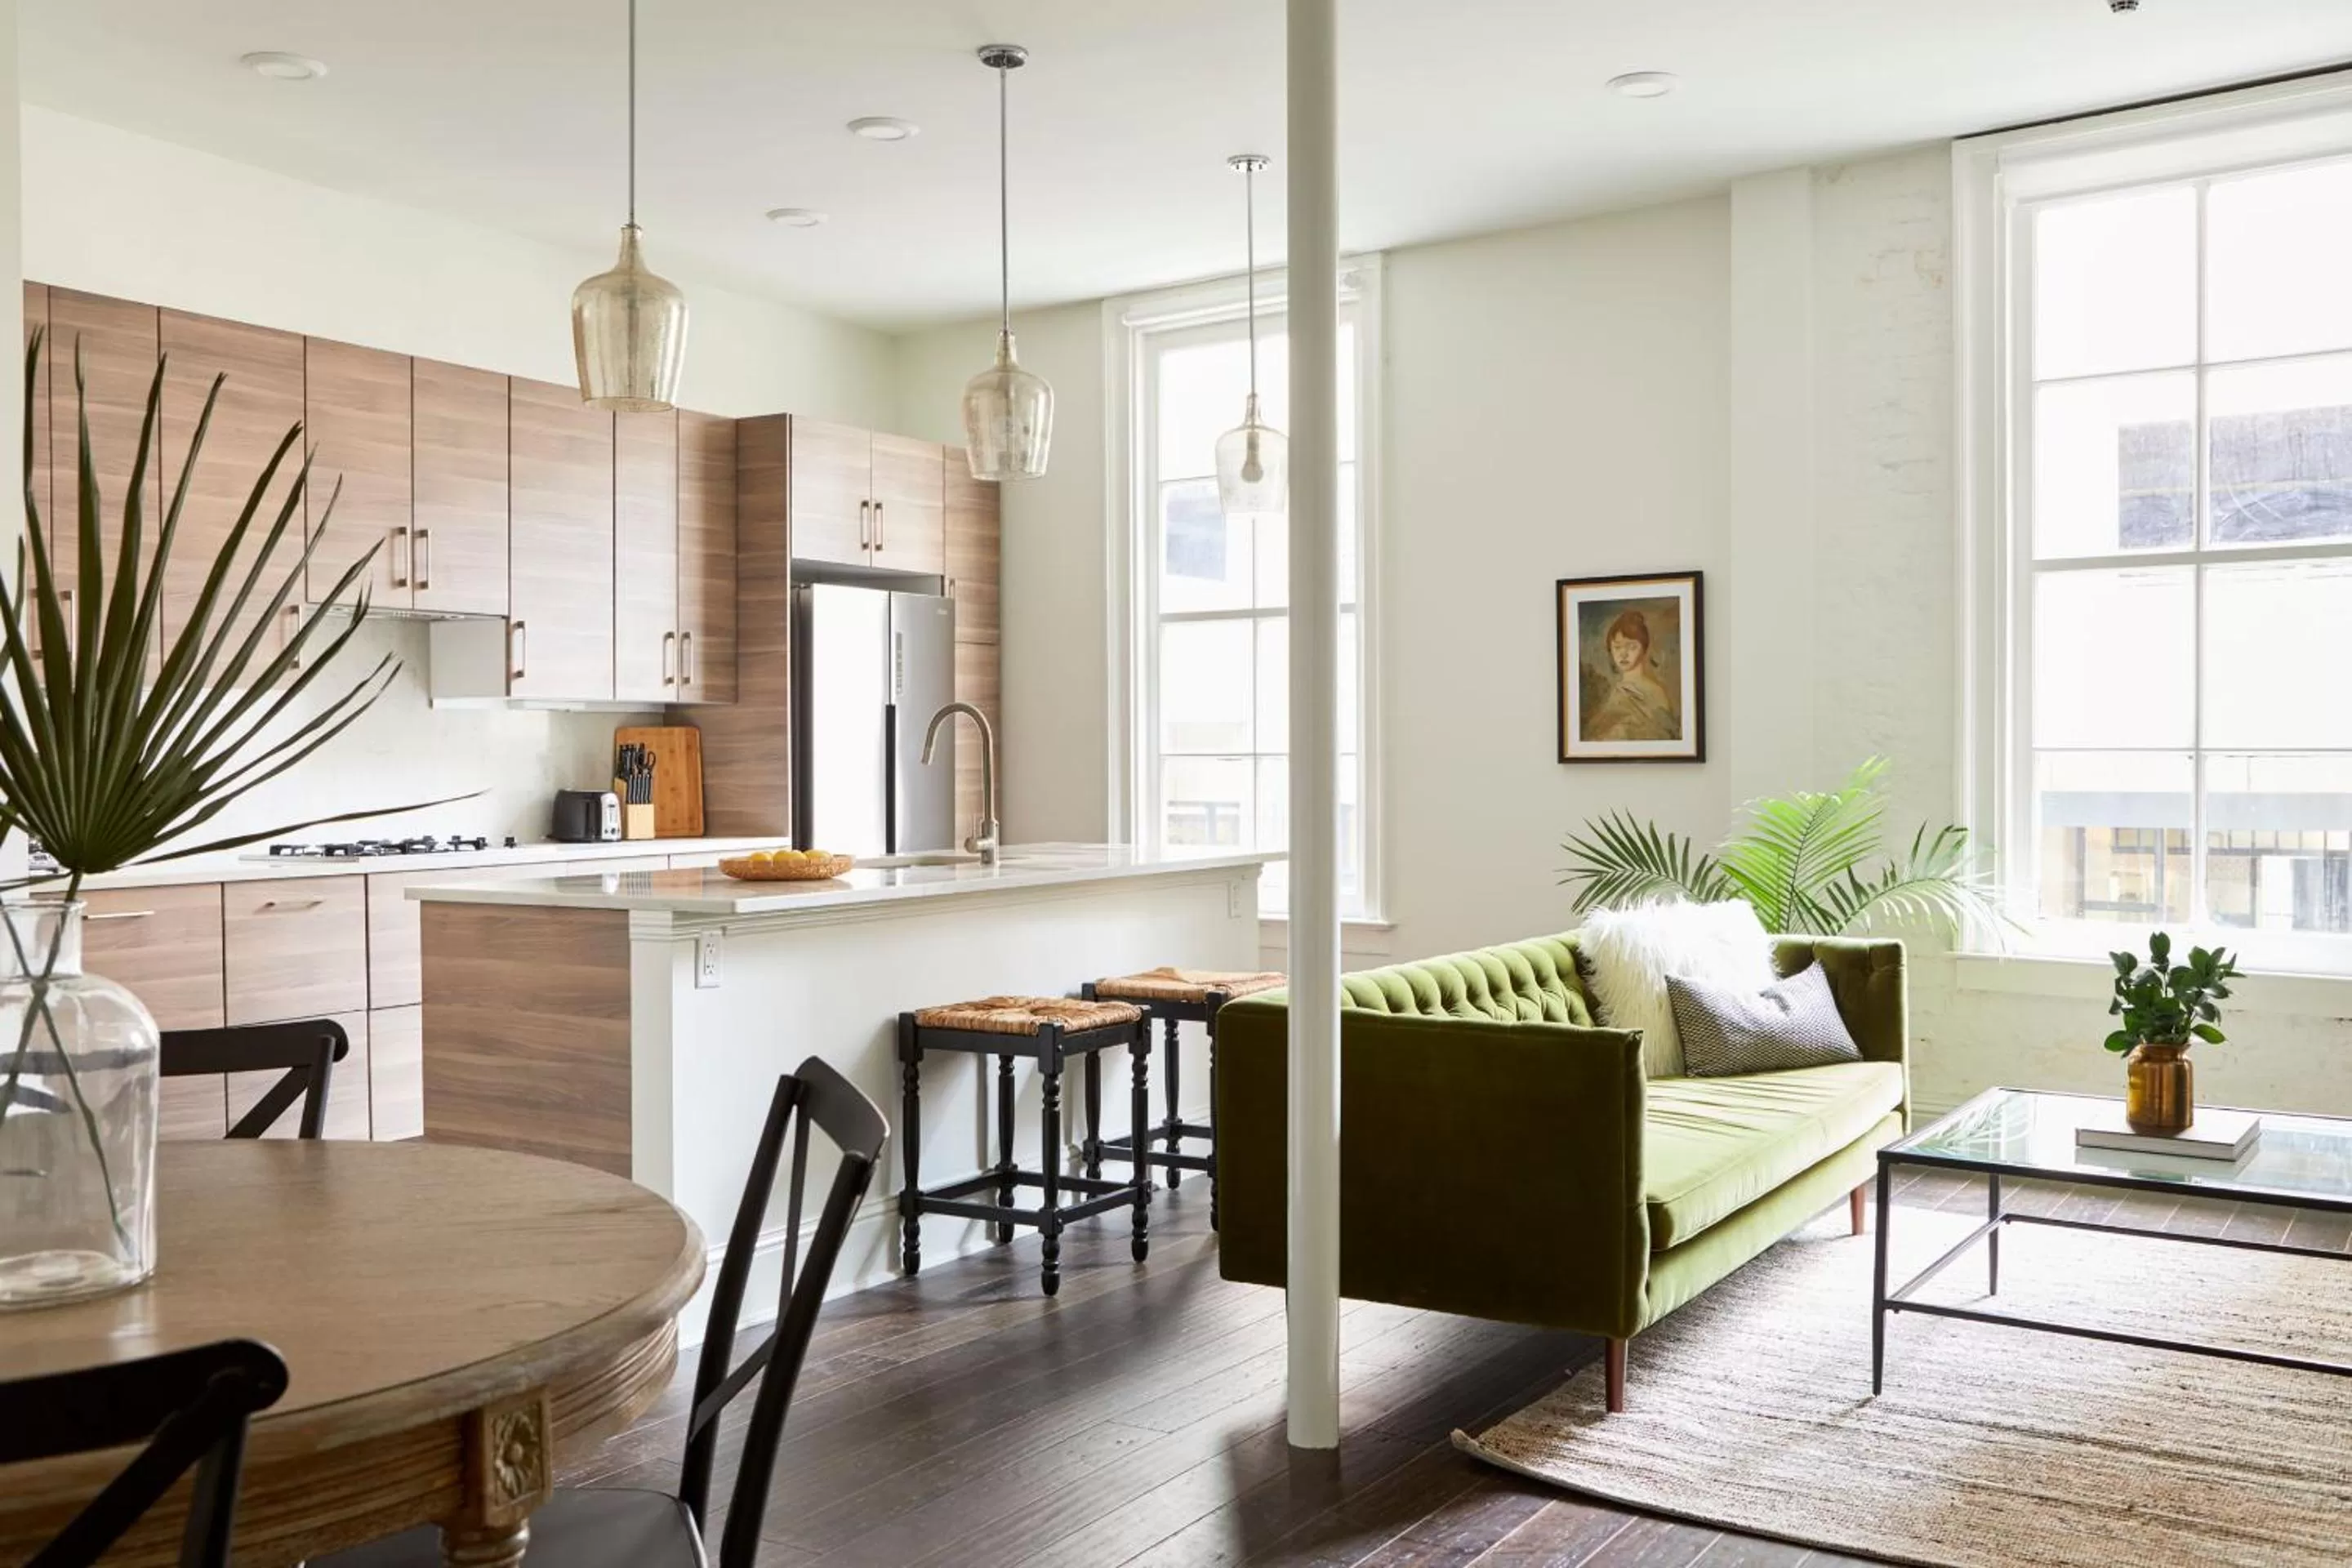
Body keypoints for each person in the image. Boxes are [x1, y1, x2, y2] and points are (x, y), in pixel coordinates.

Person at [1584, 608, 1679, 742]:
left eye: (1631, 647)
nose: (1623, 654)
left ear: (1644, 649)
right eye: (1617, 647)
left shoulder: (1655, 692)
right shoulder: (1614, 693)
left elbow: (1666, 737)